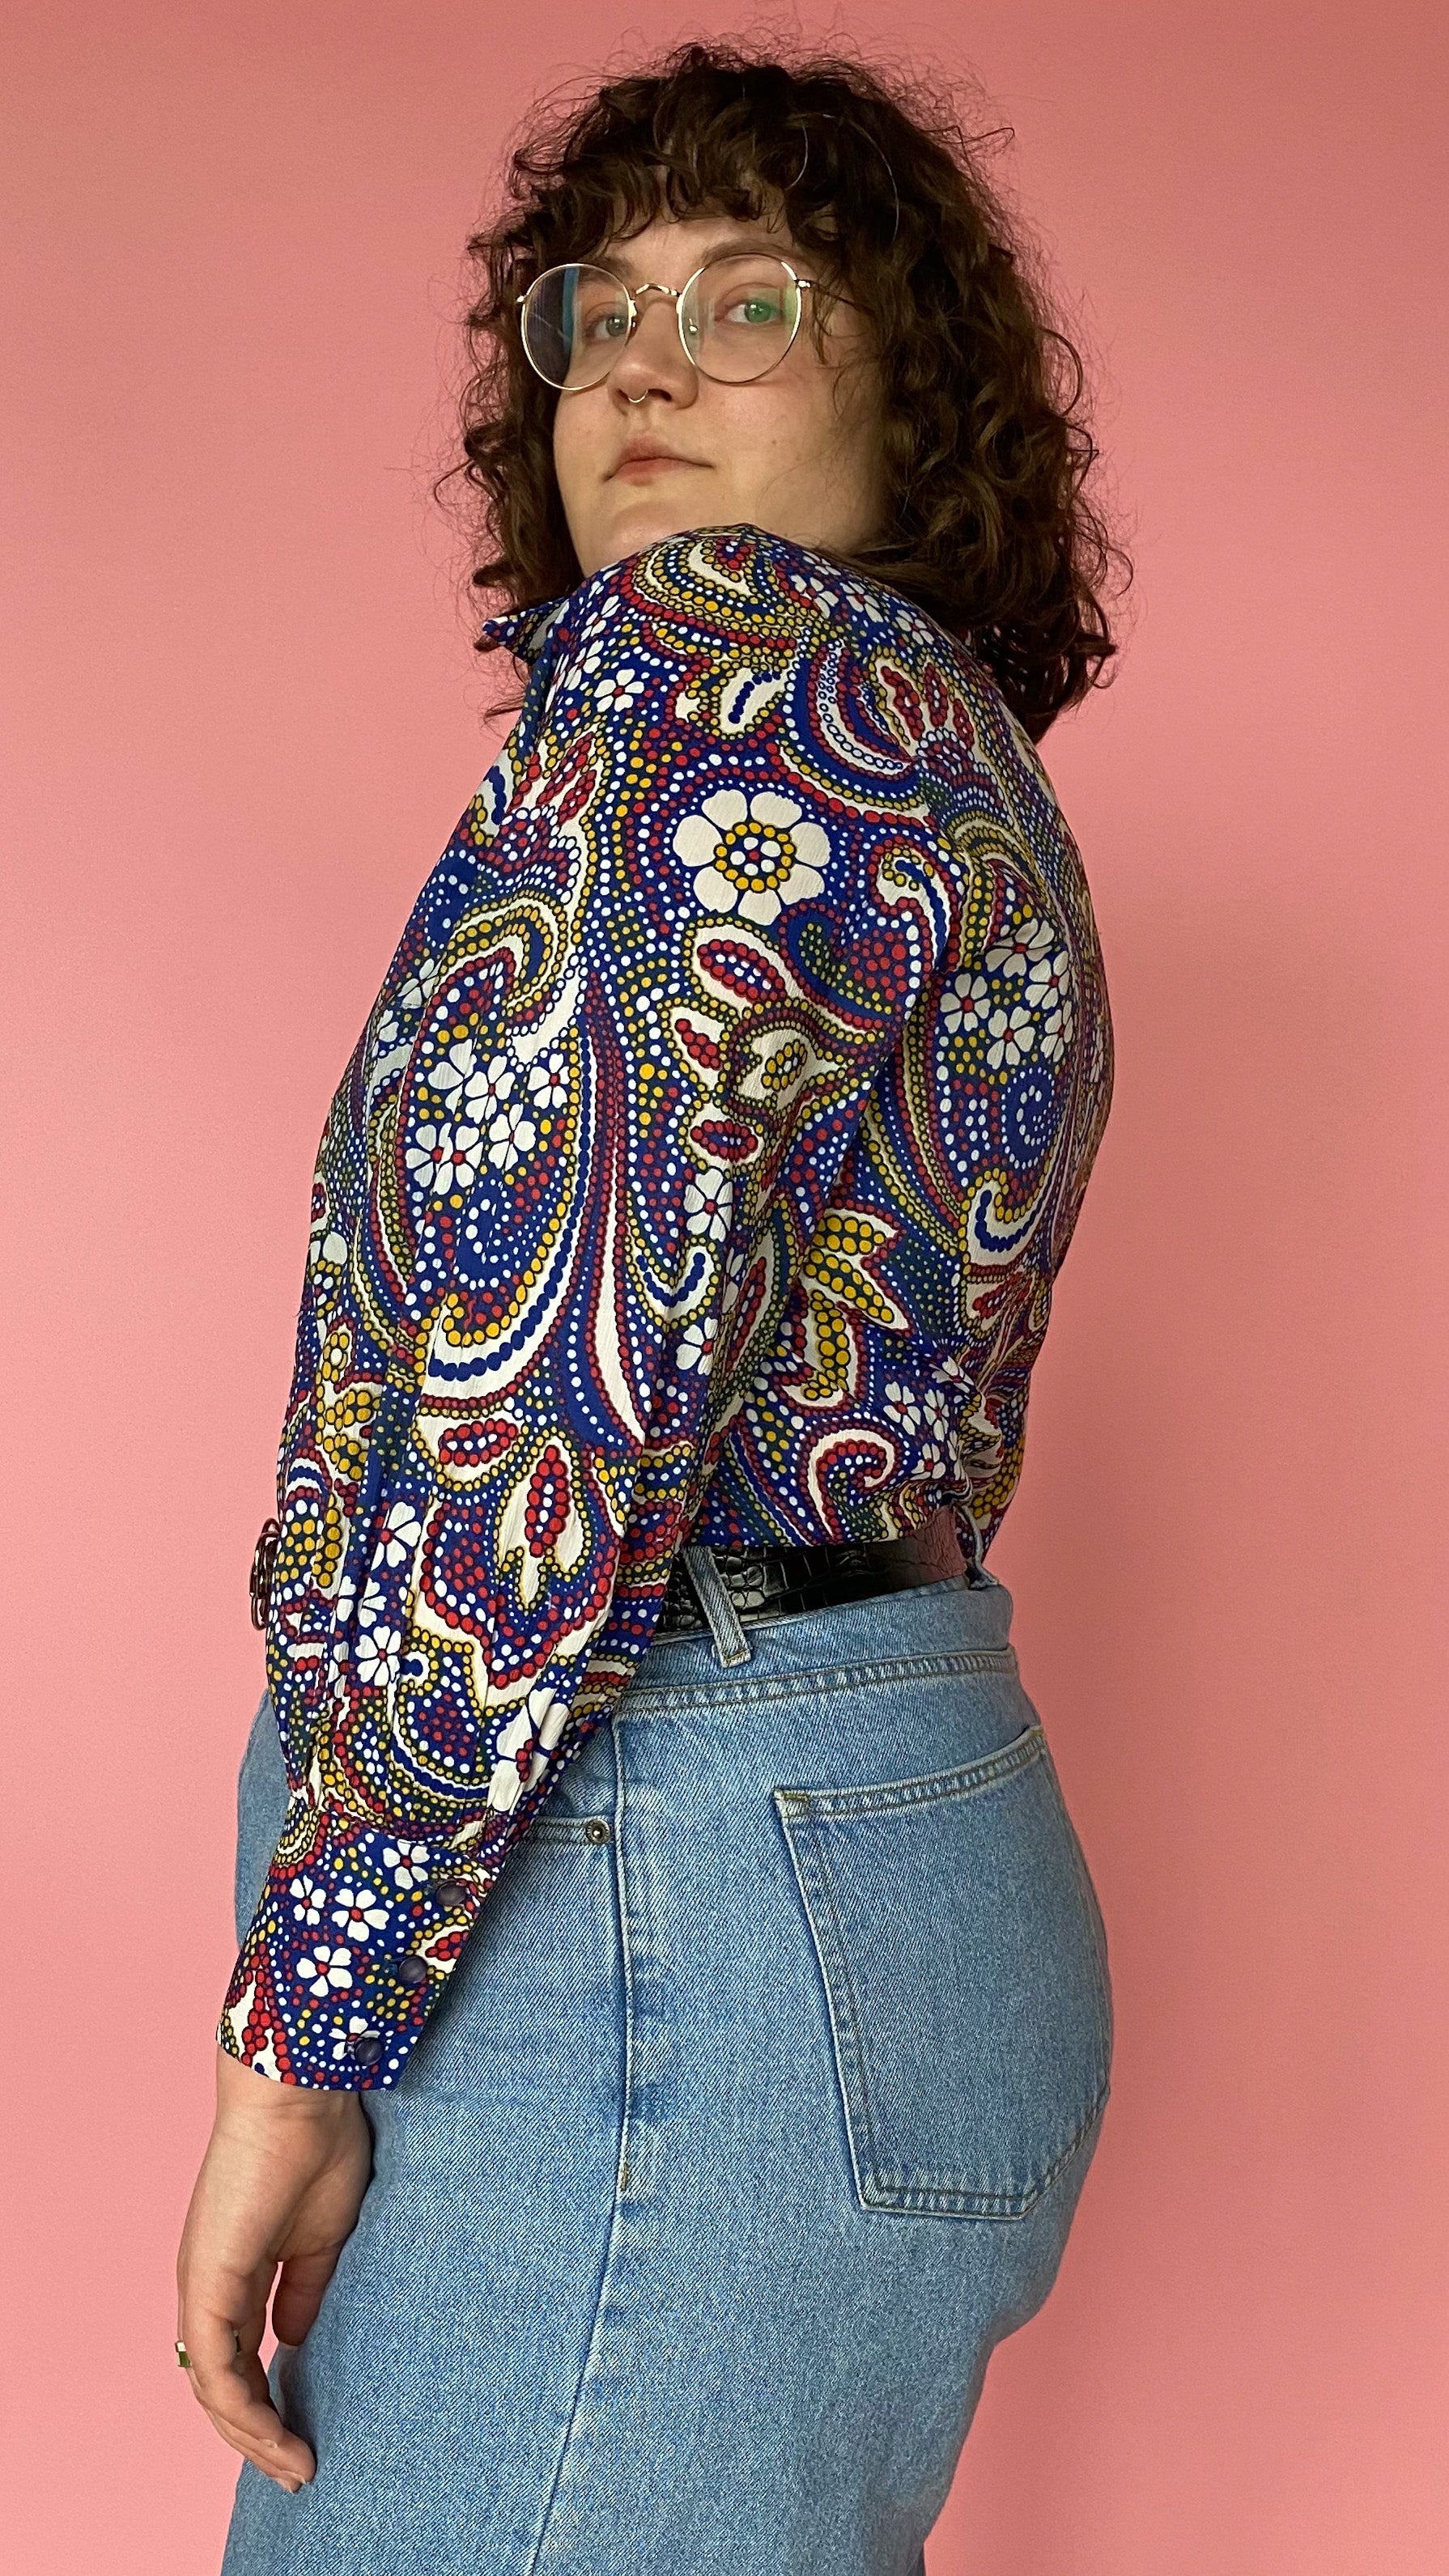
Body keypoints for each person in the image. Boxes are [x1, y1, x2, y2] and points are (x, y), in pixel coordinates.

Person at [176, 41, 1125, 2576]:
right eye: (597, 312)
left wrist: (305, 2021)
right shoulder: (937, 753)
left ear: (913, 395)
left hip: (651, 1871)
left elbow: (558, 1387)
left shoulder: (727, 658)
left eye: (747, 304)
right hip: (850, 1848)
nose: (638, 365)